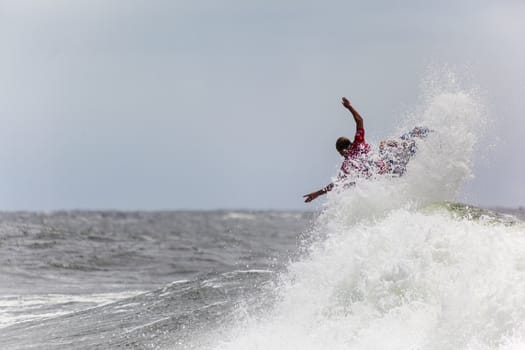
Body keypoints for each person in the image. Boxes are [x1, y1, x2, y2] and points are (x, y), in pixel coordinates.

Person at [303, 97, 373, 203]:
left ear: (343, 151)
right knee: (384, 145)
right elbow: (360, 120)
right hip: (385, 165)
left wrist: (317, 193)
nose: (341, 156)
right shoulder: (359, 142)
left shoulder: (348, 164)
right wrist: (349, 107)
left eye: (340, 153)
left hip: (377, 179)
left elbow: (335, 185)